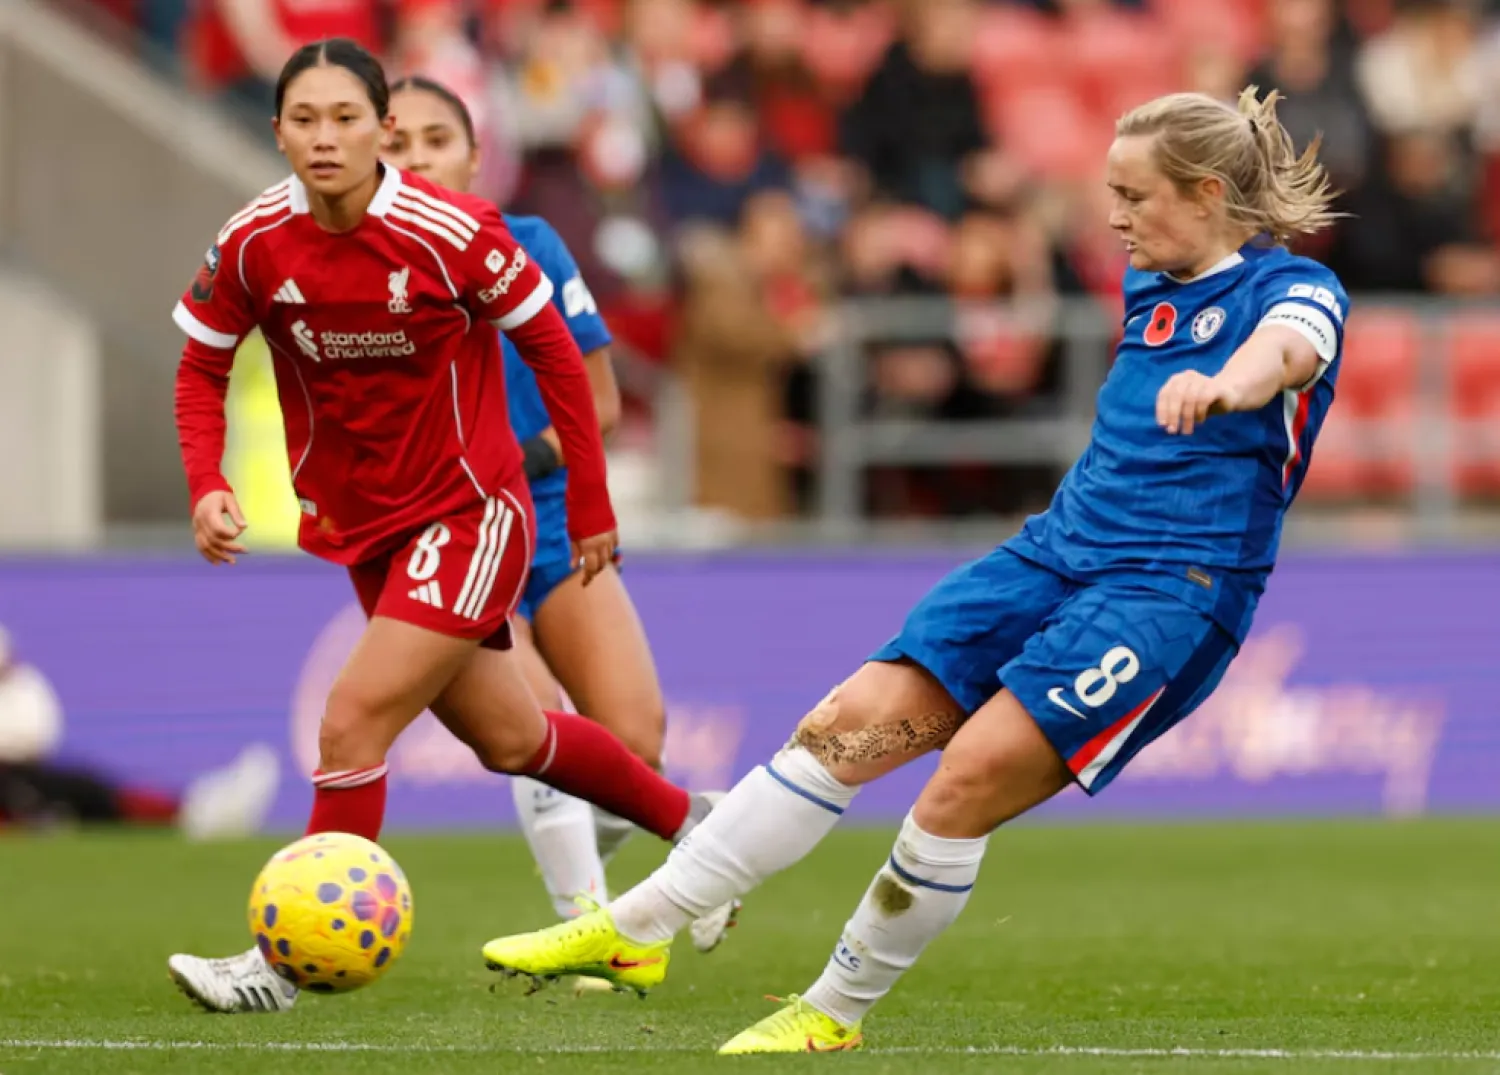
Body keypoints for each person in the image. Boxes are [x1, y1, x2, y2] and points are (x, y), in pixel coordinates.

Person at [480, 85, 1348, 1052]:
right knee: (842, 725)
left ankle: (833, 1009)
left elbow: (1289, 353)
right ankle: (637, 928)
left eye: (1134, 195)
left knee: (964, 780)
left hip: (1166, 595)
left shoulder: (1290, 291)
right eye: (1109, 191)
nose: (1113, 215)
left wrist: (1227, 383)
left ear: (1207, 193)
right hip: (1053, 552)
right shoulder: (1150, 281)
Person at [165, 38, 721, 1014]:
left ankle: (284, 965)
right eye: (305, 120)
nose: (325, 137)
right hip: (365, 526)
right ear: (277, 130)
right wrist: (207, 481)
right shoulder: (254, 240)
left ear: (377, 131)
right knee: (513, 740)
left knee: (351, 718)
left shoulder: (452, 231)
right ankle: (705, 832)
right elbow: (202, 366)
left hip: (472, 513)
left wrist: (589, 504)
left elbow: (556, 356)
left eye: (346, 119)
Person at [382, 76, 737, 956]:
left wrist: (511, 459)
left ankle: (668, 834)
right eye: (397, 141)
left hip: (546, 518)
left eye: (436, 138)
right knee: (537, 722)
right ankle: (592, 930)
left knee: (634, 740)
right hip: (451, 534)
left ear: (475, 155)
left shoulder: (530, 244)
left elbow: (602, 401)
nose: (416, 155)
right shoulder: (362, 275)